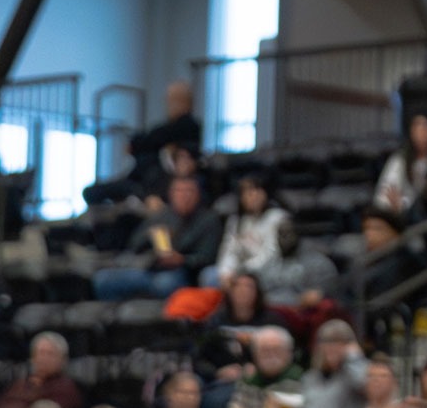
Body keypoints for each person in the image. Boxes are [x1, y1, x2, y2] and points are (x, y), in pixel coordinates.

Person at [92, 175, 222, 301]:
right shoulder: (162, 215)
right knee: (103, 279)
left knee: (165, 283)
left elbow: (208, 257)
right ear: (171, 194)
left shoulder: (209, 220)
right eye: (179, 191)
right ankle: (113, 319)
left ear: (197, 194)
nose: (184, 196)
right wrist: (150, 237)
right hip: (150, 267)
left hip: (183, 272)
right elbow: (134, 245)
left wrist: (182, 260)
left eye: (189, 191)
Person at [84, 80, 201, 207]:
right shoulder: (166, 131)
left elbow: (153, 138)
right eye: (169, 100)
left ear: (188, 102)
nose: (170, 105)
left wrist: (138, 145)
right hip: (140, 180)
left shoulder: (188, 127)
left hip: (147, 186)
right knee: (91, 192)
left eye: (176, 100)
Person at [217, 328, 303, 408]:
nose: (271, 355)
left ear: (288, 353)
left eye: (276, 349)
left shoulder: (302, 383)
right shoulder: (248, 384)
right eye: (264, 350)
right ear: (255, 355)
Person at [205, 174, 290, 290]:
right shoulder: (235, 221)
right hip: (239, 270)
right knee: (209, 275)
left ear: (265, 193)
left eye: (256, 190)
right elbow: (228, 251)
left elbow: (271, 254)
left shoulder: (277, 218)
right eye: (246, 192)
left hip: (268, 270)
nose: (252, 196)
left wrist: (241, 271)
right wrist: (226, 272)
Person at [0, 333, 86, 408]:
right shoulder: (20, 383)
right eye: (40, 353)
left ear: (62, 360)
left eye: (50, 354)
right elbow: (0, 405)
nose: (43, 358)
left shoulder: (65, 388)